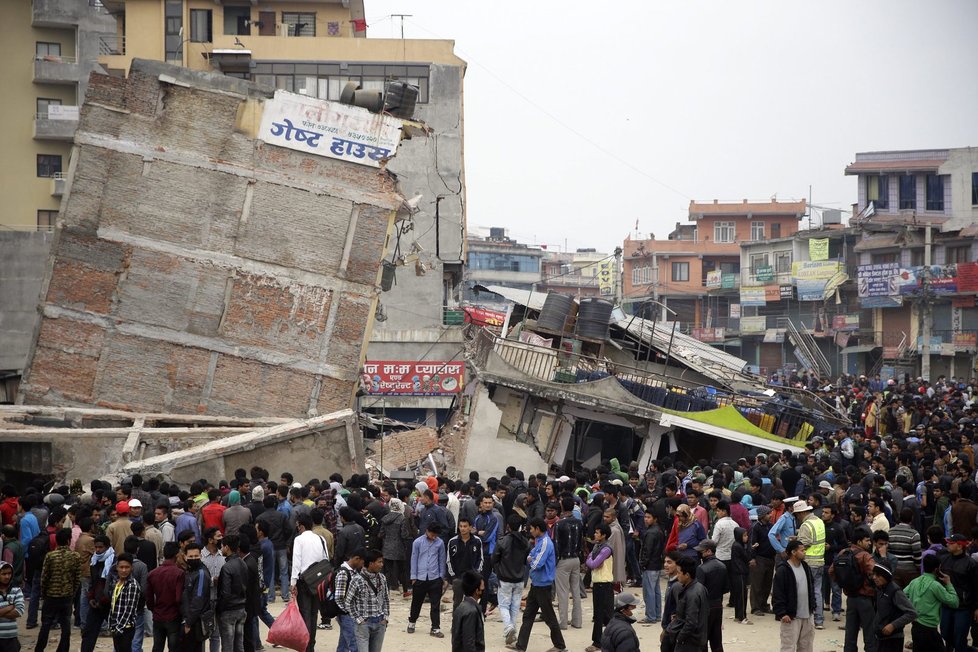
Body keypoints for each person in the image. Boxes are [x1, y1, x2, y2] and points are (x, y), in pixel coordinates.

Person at [510, 517, 567, 652]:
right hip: (536, 584)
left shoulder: (546, 543)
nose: (530, 531)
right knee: (528, 615)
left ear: (537, 529)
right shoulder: (539, 541)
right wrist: (531, 559)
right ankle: (521, 645)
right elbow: (530, 555)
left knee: (549, 618)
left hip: (543, 586)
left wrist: (530, 561)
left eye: (531, 528)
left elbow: (536, 563)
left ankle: (560, 645)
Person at [34, 528, 82, 652]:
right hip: (67, 596)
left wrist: (44, 593)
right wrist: (72, 592)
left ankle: (39, 649)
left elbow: (44, 577)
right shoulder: (75, 556)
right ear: (68, 540)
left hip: (51, 595)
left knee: (46, 624)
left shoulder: (50, 556)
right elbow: (77, 578)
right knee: (66, 626)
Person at [829, 526, 876, 652]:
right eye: (867, 540)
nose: (869, 543)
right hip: (865, 598)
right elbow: (875, 575)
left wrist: (844, 583)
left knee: (850, 633)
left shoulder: (843, 553)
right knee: (869, 633)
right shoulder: (865, 556)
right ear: (859, 542)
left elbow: (831, 571)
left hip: (850, 598)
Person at [290, 513, 329, 652]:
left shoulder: (299, 540)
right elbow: (326, 559)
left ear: (300, 525)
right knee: (313, 613)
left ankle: (306, 646)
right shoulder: (320, 538)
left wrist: (293, 582)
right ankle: (311, 645)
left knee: (305, 613)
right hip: (319, 581)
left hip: (304, 581)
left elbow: (296, 562)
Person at [904, 554, 959, 652]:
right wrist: (949, 584)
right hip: (929, 628)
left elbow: (902, 595)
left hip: (915, 626)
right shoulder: (935, 586)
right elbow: (954, 602)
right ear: (937, 569)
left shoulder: (914, 582)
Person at [492, 514, 529, 647]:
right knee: (515, 606)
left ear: (507, 526)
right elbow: (526, 560)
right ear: (520, 527)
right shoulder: (525, 542)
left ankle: (508, 628)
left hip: (505, 578)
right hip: (519, 579)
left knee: (503, 605)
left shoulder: (502, 541)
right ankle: (512, 630)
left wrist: (498, 571)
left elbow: (494, 559)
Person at [773, 540, 815, 652]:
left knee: (806, 646)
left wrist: (813, 607)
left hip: (807, 616)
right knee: (788, 647)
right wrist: (782, 613)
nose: (805, 552)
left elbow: (811, 587)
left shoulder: (806, 567)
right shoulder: (783, 570)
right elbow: (778, 593)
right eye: (802, 550)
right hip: (791, 617)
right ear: (793, 552)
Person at [938, 533, 978, 652]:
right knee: (945, 632)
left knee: (960, 635)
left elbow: (976, 587)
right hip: (947, 604)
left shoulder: (971, 563)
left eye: (951, 543)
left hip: (963, 606)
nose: (948, 544)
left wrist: (976, 607)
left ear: (960, 546)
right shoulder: (944, 560)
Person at [407, 523, 447, 638]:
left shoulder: (439, 543)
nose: (434, 537)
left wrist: (441, 577)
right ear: (427, 531)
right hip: (420, 577)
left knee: (435, 604)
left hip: (435, 578)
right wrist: (413, 576)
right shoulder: (418, 542)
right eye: (432, 534)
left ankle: (435, 628)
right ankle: (412, 623)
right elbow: (414, 559)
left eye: (436, 535)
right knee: (416, 602)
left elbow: (441, 559)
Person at [869, 560, 917, 652]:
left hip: (893, 639)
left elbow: (912, 613)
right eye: (873, 574)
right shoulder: (879, 589)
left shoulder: (895, 592)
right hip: (880, 637)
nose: (874, 577)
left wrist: (893, 625)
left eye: (878, 575)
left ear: (886, 577)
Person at [146, 541, 185, 652]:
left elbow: (149, 597)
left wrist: (153, 609)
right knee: (174, 647)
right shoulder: (179, 573)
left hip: (158, 615)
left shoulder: (153, 573)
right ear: (177, 555)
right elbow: (178, 598)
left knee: (157, 646)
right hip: (173, 615)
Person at [347, 549, 389, 652]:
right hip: (364, 624)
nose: (381, 564)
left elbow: (386, 599)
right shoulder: (357, 580)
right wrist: (359, 619)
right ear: (371, 563)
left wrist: (385, 618)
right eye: (379, 562)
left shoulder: (382, 578)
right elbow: (349, 602)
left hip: (380, 622)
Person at [793, 500, 826, 630]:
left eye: (797, 514)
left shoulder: (806, 525)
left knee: (807, 591)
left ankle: (808, 618)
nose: (797, 517)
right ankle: (819, 620)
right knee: (818, 591)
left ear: (802, 513)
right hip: (820, 560)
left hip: (809, 561)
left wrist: (795, 543)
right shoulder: (819, 521)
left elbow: (804, 543)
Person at [553, 496, 584, 630]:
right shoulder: (579, 522)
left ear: (562, 507)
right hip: (576, 559)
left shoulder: (559, 524)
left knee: (563, 592)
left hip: (563, 560)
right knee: (575, 590)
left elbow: (557, 544)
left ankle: (563, 622)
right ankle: (577, 621)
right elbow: (581, 542)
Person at [666, 556, 709, 652]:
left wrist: (679, 638)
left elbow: (691, 622)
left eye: (679, 573)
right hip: (697, 639)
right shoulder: (700, 587)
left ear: (687, 575)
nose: (677, 576)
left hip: (689, 642)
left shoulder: (692, 594)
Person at [585, 523, 615, 652]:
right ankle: (603, 641)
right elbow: (590, 560)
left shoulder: (606, 549)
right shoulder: (597, 546)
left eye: (597, 533)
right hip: (597, 583)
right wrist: (591, 560)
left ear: (604, 535)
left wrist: (591, 560)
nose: (595, 535)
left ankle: (598, 642)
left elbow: (593, 563)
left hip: (605, 584)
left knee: (604, 614)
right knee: (599, 614)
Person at [694, 539, 728, 652]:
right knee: (716, 640)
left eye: (701, 551)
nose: (700, 554)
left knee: (702, 640)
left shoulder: (701, 569)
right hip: (718, 605)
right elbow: (726, 588)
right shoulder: (723, 566)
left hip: (705, 608)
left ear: (709, 551)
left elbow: (698, 591)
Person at [217, 533, 248, 652]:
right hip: (241, 608)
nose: (221, 549)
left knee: (228, 646)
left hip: (229, 610)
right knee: (239, 645)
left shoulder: (227, 567)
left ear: (227, 547)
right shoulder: (243, 563)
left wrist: (220, 608)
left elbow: (225, 593)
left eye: (222, 546)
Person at [181, 542, 213, 652]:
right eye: (190, 556)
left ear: (201, 556)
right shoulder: (190, 571)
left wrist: (188, 623)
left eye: (196, 556)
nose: (193, 558)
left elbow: (198, 600)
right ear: (185, 556)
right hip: (189, 619)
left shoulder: (201, 573)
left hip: (195, 622)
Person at [108, 553, 143, 652]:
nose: (124, 570)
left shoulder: (132, 585)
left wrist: (119, 628)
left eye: (127, 567)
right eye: (121, 567)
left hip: (125, 628)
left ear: (131, 568)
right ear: (117, 568)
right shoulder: (117, 582)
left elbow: (130, 609)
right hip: (116, 626)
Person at [446, 518, 483, 609]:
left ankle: (471, 622)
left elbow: (480, 559)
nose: (463, 528)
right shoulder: (452, 541)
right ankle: (456, 622)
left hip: (472, 578)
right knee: (457, 603)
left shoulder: (477, 541)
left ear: (470, 527)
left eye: (465, 526)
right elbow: (448, 560)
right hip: (458, 578)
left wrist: (477, 574)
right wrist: (453, 576)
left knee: (472, 602)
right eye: (461, 526)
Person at [333, 549, 364, 652]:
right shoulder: (343, 573)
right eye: (362, 562)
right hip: (346, 614)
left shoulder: (352, 572)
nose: (362, 565)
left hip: (348, 614)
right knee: (354, 644)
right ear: (356, 559)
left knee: (344, 643)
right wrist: (347, 611)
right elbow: (339, 597)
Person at [640, 509, 664, 624]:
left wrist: (643, 563)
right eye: (645, 517)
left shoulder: (650, 533)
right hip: (657, 564)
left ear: (655, 519)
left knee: (649, 591)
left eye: (648, 517)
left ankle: (651, 616)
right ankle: (657, 614)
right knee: (656, 591)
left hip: (650, 565)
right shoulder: (659, 530)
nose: (646, 519)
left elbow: (647, 550)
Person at [451, 570, 485, 652]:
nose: (484, 590)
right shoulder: (471, 612)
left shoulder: (461, 607)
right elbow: (469, 642)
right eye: (482, 588)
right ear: (477, 591)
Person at [0, 560, 24, 652]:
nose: (7, 576)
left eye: (9, 573)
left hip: (11, 638)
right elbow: (15, 609)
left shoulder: (16, 589)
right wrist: (10, 607)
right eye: (4, 574)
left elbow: (19, 611)